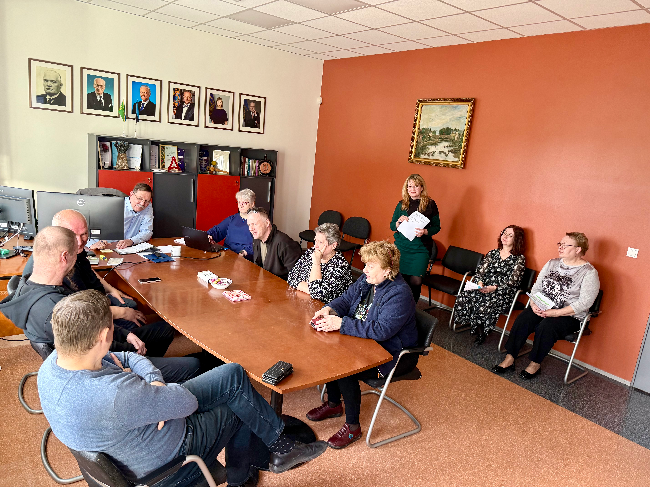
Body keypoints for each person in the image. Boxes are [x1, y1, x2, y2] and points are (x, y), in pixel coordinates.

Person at [38, 290, 328, 487]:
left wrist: (154, 381)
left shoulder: (55, 363)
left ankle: (280, 447)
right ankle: (241, 479)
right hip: (168, 461)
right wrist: (157, 391)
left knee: (233, 374)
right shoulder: (116, 394)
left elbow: (124, 356)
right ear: (104, 335)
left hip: (135, 438)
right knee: (237, 405)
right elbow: (185, 403)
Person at [306, 241, 418, 449]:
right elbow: (345, 300)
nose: (364, 269)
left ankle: (353, 427)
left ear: (387, 270)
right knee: (328, 350)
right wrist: (329, 309)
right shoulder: (368, 281)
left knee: (345, 367)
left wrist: (342, 324)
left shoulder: (399, 293)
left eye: (370, 265)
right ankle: (334, 404)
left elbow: (381, 330)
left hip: (390, 353)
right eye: (365, 264)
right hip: (363, 340)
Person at [1, 226, 174, 358]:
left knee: (163, 330)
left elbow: (90, 324)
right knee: (187, 363)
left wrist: (125, 333)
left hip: (91, 345)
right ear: (64, 257)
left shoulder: (33, 284)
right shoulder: (59, 309)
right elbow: (101, 348)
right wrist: (135, 354)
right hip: (103, 362)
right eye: (75, 254)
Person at [492, 232, 600, 380]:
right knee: (524, 318)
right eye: (560, 244)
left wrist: (556, 313)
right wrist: (533, 303)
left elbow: (585, 302)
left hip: (570, 316)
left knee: (546, 326)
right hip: (543, 307)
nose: (560, 247)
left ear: (578, 249)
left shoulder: (589, 273)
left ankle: (535, 363)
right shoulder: (552, 263)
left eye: (565, 245)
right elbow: (536, 288)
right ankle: (510, 357)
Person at [453, 225, 526, 345]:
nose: (505, 236)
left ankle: (481, 332)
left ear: (517, 239)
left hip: (503, 292)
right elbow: (480, 272)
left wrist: (494, 288)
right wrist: (480, 283)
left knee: (485, 303)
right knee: (464, 296)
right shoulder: (492, 253)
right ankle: (476, 326)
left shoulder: (519, 259)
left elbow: (513, 282)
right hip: (484, 287)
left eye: (510, 235)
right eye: (504, 233)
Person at [390, 174, 440, 302]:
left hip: (420, 249)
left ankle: (411, 308)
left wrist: (425, 231)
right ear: (406, 188)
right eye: (410, 186)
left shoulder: (430, 204)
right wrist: (398, 223)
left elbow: (437, 227)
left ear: (422, 188)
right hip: (402, 247)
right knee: (399, 279)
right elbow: (392, 225)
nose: (412, 189)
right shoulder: (402, 204)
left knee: (416, 281)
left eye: (416, 186)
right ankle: (398, 306)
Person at [288, 223, 352, 303]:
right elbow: (291, 277)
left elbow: (317, 294)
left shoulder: (340, 266)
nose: (316, 246)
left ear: (333, 245)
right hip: (305, 300)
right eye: (315, 241)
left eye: (320, 242)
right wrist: (311, 290)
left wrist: (316, 263)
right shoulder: (311, 252)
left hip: (327, 307)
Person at [88, 182, 153, 250]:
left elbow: (147, 231)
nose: (142, 203)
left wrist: (131, 241)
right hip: (104, 246)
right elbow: (85, 228)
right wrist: (91, 244)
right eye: (139, 198)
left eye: (146, 201)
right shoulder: (114, 204)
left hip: (126, 248)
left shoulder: (147, 206)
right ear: (131, 194)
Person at [248, 207, 301, 281]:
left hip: (281, 285)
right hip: (265, 282)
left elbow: (298, 277)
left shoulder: (284, 243)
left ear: (267, 223)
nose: (250, 229)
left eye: (254, 224)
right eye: (249, 225)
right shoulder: (257, 239)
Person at [207, 189, 255, 260]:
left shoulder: (257, 221)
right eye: (239, 202)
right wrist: (209, 236)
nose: (241, 205)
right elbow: (217, 231)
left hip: (244, 258)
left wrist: (245, 252)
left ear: (252, 204)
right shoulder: (232, 219)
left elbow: (259, 245)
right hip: (227, 255)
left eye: (244, 203)